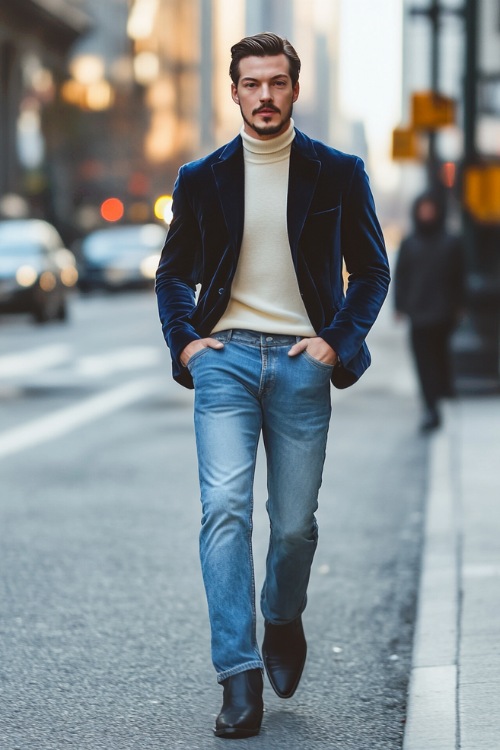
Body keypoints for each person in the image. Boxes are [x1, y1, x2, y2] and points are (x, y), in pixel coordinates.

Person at [155, 32, 390, 739]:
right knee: (224, 510)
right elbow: (173, 273)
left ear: (294, 88)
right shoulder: (201, 177)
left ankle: (282, 618)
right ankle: (238, 677)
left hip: (299, 362)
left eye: (277, 83)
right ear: (234, 91)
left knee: (292, 526)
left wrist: (334, 342)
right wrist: (187, 343)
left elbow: (373, 272)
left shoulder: (339, 172)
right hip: (223, 358)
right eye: (251, 83)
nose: (264, 95)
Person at [394, 191, 465, 431]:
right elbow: (400, 277)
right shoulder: (409, 242)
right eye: (423, 208)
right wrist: (399, 307)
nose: (427, 213)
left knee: (440, 359)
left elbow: (459, 277)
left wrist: (460, 306)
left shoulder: (451, 242)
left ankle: (441, 396)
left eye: (430, 208)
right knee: (423, 363)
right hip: (418, 314)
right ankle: (430, 408)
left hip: (443, 313)